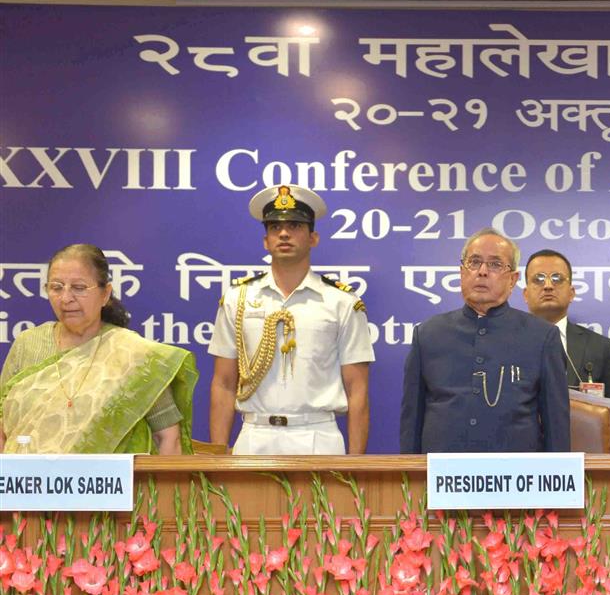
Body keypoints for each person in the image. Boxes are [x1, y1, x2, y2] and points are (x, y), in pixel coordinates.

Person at [207, 185, 373, 455]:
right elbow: (223, 384)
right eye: (274, 227)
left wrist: (356, 464)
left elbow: (358, 389)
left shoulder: (342, 302)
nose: (283, 233)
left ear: (313, 238)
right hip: (254, 436)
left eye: (295, 225)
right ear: (265, 241)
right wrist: (216, 458)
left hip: (319, 437)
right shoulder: (238, 299)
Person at [0, 244, 195, 454]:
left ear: (105, 294)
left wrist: (159, 485)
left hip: (109, 484)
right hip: (26, 482)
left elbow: (167, 437)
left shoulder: (132, 353)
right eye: (56, 287)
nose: (66, 298)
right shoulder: (28, 344)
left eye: (79, 288)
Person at [400, 228, 570, 453]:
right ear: (462, 272)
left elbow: (556, 426)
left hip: (516, 478)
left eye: (495, 264)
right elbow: (412, 421)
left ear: (513, 279)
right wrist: (411, 479)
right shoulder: (428, 334)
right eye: (475, 262)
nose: (482, 272)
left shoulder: (542, 337)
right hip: (443, 477)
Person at [522, 249, 610, 399]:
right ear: (525, 294)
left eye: (557, 279)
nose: (548, 286)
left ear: (571, 293)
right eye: (539, 279)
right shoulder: (505, 343)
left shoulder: (601, 348)